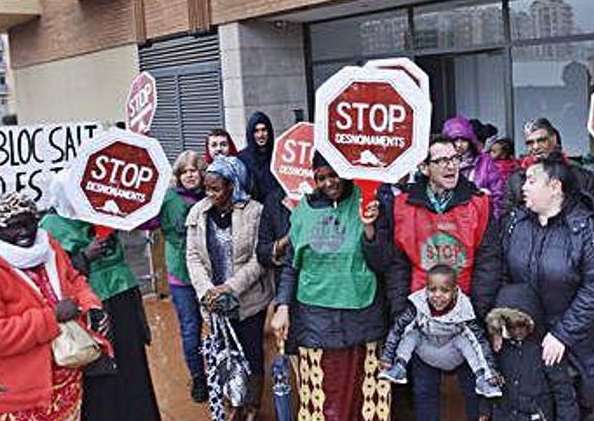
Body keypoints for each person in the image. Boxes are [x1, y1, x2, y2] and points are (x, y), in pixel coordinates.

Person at [0, 192, 109, 421]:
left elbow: (73, 279)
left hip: (66, 379)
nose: (23, 232)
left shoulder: (48, 246)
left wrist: (89, 303)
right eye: (12, 227)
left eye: (28, 223)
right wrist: (51, 318)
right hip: (18, 393)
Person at [388, 134, 502, 421]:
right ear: (425, 167)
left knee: (474, 391)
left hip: (464, 313)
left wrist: (477, 310)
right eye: (442, 160)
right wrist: (403, 308)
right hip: (421, 313)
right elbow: (397, 264)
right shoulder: (403, 205)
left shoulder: (478, 203)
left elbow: (489, 262)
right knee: (425, 392)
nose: (452, 166)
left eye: (455, 159)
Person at [270, 154, 391, 421]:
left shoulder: (367, 200)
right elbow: (292, 264)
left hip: (361, 316)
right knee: (323, 396)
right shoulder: (304, 208)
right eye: (321, 177)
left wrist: (370, 228)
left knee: (361, 395)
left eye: (333, 174)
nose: (329, 182)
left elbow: (382, 262)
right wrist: (283, 305)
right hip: (315, 318)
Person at [503, 154, 594, 421]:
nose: (523, 187)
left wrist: (562, 334)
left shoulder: (586, 230)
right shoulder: (515, 224)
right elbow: (504, 275)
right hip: (531, 336)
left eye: (532, 181)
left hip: (582, 344)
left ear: (555, 187)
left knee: (583, 409)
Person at [41, 174, 161, 421]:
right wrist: (85, 256)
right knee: (100, 371)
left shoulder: (102, 212)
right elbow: (51, 275)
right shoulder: (50, 226)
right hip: (89, 307)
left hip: (122, 297)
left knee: (132, 365)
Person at [185, 155, 273, 420]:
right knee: (224, 356)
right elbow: (193, 257)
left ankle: (252, 406)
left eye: (216, 188)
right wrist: (207, 291)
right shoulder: (197, 213)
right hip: (213, 304)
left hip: (248, 302)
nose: (210, 194)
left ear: (233, 185)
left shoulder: (254, 211)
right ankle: (232, 404)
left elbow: (260, 258)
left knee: (251, 355)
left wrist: (231, 287)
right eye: (207, 188)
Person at [378, 264, 502, 398]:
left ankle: (483, 380)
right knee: (411, 332)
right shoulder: (418, 305)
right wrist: (387, 357)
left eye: (444, 291)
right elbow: (398, 329)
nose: (437, 296)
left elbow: (480, 342)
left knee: (466, 339)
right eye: (432, 290)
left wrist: (491, 372)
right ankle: (398, 368)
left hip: (452, 352)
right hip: (426, 348)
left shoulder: (464, 309)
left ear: (455, 291)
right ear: (426, 290)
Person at [483, 283, 580, 421]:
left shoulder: (547, 348)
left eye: (521, 324)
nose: (517, 331)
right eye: (511, 326)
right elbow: (489, 380)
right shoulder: (499, 347)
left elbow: (563, 392)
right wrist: (485, 410)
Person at [157, 150, 209, 402]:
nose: (190, 175)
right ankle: (199, 378)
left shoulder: (212, 195)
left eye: (194, 170)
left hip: (210, 273)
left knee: (219, 327)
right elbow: (145, 222)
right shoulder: (168, 199)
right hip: (181, 276)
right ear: (178, 175)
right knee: (191, 329)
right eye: (185, 171)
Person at [501, 118, 594, 218]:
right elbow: (507, 220)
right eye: (530, 143)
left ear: (554, 140)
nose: (535, 147)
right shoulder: (515, 180)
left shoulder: (583, 178)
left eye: (541, 140)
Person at [442, 116, 505, 218]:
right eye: (455, 140)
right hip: (453, 221)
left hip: (482, 219)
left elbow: (498, 193)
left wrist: (494, 218)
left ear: (470, 141)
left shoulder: (485, 161)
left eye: (463, 140)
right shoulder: (442, 164)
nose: (459, 145)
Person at [238, 111, 283, 204]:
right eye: (256, 131)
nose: (261, 135)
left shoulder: (279, 155)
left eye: (264, 130)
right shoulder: (242, 159)